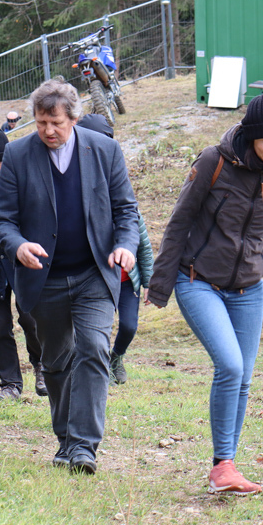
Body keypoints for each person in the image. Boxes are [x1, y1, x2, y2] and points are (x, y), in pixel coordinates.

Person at [147, 93, 263, 496]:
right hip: (198, 280)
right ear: (251, 137)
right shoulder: (213, 162)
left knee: (244, 377)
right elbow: (179, 222)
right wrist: (160, 285)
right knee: (231, 367)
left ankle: (226, 465)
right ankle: (222, 466)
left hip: (249, 288)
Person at [0, 79, 139, 475]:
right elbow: (2, 220)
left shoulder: (104, 151)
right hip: (44, 279)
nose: (48, 131)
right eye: (41, 123)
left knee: (94, 348)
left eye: (55, 123)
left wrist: (125, 245)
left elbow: (126, 210)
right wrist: (18, 245)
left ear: (73, 118)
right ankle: (65, 439)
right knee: (56, 361)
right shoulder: (17, 155)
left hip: (94, 273)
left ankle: (83, 447)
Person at [0, 126, 45, 400]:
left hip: (21, 259)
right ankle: (10, 384)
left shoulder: (22, 171)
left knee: (31, 318)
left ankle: (42, 368)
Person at [79, 113, 152, 385]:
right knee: (95, 332)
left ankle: (116, 358)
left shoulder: (120, 191)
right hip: (95, 278)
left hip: (125, 279)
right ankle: (96, 371)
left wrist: (149, 282)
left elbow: (142, 244)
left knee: (129, 326)